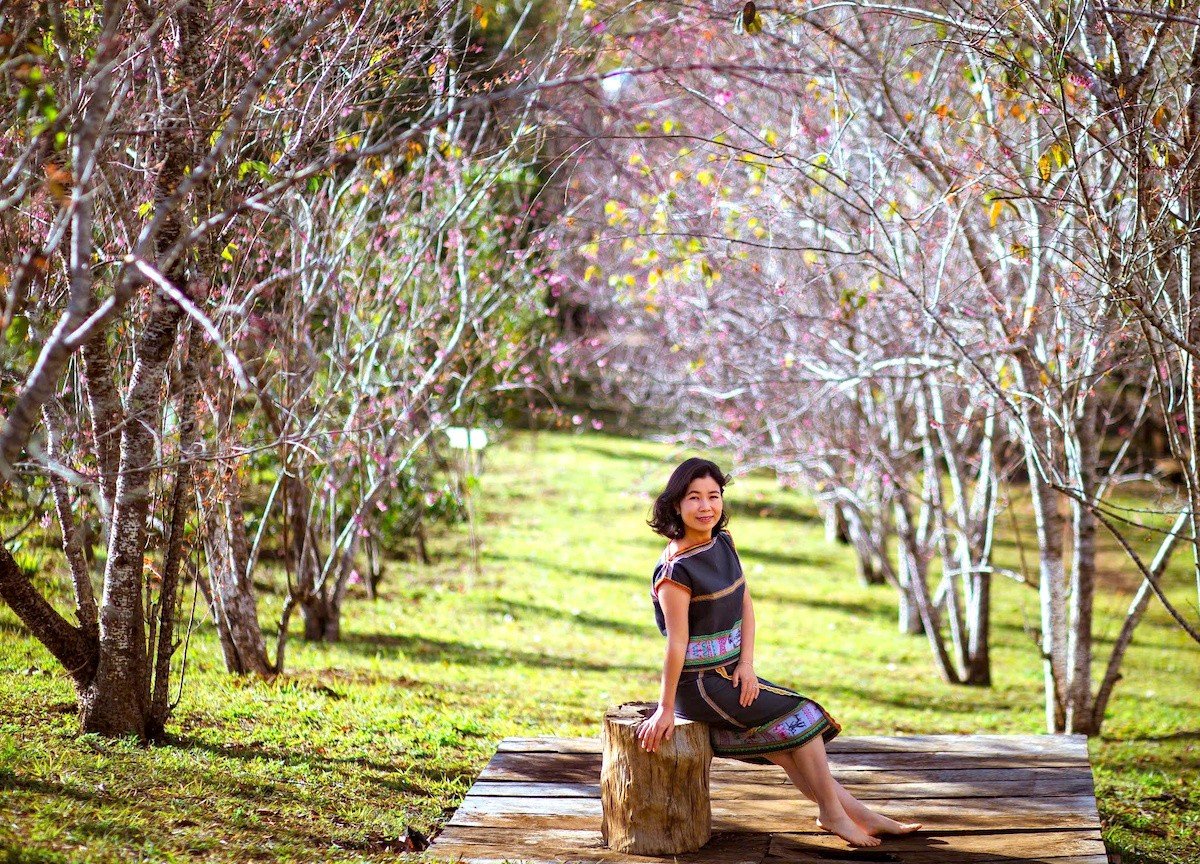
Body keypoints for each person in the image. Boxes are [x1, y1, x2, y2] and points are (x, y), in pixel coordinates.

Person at [636, 457, 921, 848]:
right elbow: (676, 645)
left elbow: (745, 604)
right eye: (694, 498)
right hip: (699, 686)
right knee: (801, 717)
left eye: (714, 496)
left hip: (731, 674)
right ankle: (834, 813)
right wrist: (665, 708)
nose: (706, 507)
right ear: (675, 505)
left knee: (790, 745)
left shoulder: (722, 542)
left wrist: (747, 664)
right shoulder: (676, 571)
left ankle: (856, 813)